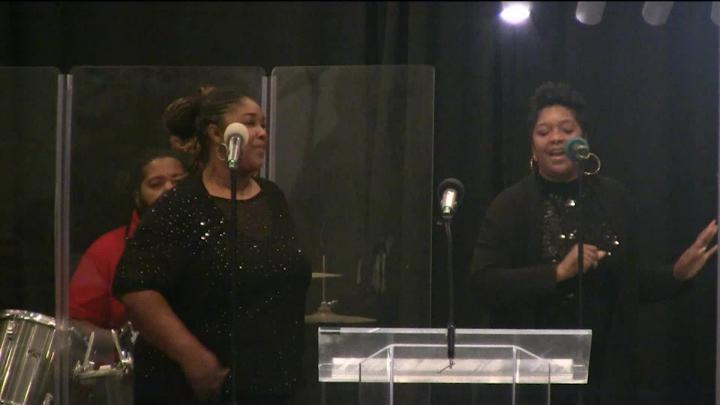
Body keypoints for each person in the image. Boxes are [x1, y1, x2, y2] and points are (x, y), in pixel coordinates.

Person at [468, 82, 717, 404]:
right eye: (544, 132)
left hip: (607, 375)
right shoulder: (511, 205)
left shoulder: (614, 199)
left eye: (566, 129)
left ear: (583, 140)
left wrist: (676, 275)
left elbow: (628, 284)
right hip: (535, 376)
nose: (555, 138)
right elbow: (483, 283)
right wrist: (558, 273)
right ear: (533, 145)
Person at [112, 86, 311, 404]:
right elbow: (137, 288)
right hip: (198, 388)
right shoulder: (180, 204)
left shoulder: (273, 197)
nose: (261, 133)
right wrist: (194, 359)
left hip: (270, 385)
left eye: (263, 124)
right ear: (216, 133)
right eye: (249, 123)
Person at [70, 148, 187, 355]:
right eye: (156, 184)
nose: (170, 189)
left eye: (178, 182)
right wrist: (123, 345)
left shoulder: (213, 239)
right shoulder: (106, 250)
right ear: (137, 196)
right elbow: (76, 325)